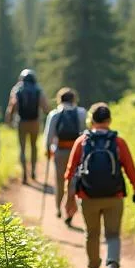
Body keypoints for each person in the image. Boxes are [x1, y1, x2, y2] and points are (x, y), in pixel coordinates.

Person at [64, 102, 135, 268]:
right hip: (114, 196)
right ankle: (112, 267)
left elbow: (70, 171)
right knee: (113, 235)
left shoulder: (82, 140)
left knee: (92, 233)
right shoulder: (118, 142)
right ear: (109, 120)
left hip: (87, 196)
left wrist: (69, 197)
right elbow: (130, 169)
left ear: (91, 120)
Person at [44, 87, 87, 221]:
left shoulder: (55, 114)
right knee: (75, 181)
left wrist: (48, 150)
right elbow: (85, 133)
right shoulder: (81, 112)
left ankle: (58, 208)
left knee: (60, 181)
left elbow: (49, 137)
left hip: (60, 151)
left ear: (59, 99)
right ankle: (71, 212)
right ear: (74, 99)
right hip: (77, 151)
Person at [6, 68, 50, 184]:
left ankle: (25, 174)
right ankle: (33, 171)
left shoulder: (17, 89)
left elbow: (12, 106)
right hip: (35, 122)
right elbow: (45, 107)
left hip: (21, 122)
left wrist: (9, 120)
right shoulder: (38, 89)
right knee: (34, 146)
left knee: (22, 148)